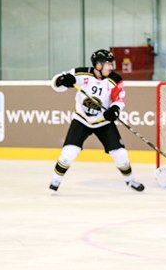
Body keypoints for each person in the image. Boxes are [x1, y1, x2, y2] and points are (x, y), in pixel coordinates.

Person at [49, 49, 145, 192]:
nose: (111, 67)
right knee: (69, 152)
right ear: (98, 65)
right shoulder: (81, 73)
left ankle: (130, 180)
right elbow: (56, 85)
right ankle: (55, 180)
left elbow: (119, 100)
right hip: (82, 119)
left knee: (120, 154)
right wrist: (61, 80)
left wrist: (115, 110)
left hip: (103, 122)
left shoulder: (115, 79)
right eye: (108, 64)